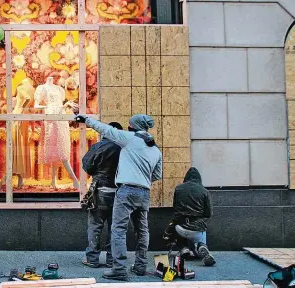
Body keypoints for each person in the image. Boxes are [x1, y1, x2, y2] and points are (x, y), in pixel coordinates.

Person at [75, 113, 162, 281]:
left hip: (127, 190)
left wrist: (86, 120)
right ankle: (140, 266)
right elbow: (157, 175)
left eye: (130, 125)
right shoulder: (155, 149)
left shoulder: (129, 138)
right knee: (142, 230)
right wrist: (141, 178)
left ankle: (119, 269)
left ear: (133, 127)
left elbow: (105, 129)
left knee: (118, 229)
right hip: (144, 192)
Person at [82, 122, 124, 268]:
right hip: (119, 191)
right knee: (116, 228)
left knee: (95, 225)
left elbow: (87, 165)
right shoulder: (124, 148)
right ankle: (112, 260)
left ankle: (92, 259)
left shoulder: (98, 147)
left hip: (100, 190)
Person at [170, 167, 216, 266]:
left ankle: (183, 248)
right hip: (197, 229)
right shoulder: (204, 191)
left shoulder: (178, 188)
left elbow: (175, 208)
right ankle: (201, 246)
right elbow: (208, 214)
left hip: (180, 228)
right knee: (200, 230)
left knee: (177, 225)